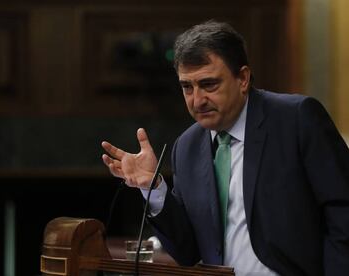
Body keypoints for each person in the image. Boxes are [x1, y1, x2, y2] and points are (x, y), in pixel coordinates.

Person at [101, 19, 349, 275]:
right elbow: (188, 252)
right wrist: (152, 188)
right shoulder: (187, 147)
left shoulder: (295, 119)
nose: (197, 100)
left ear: (242, 78)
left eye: (209, 84)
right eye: (187, 87)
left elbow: (343, 213)